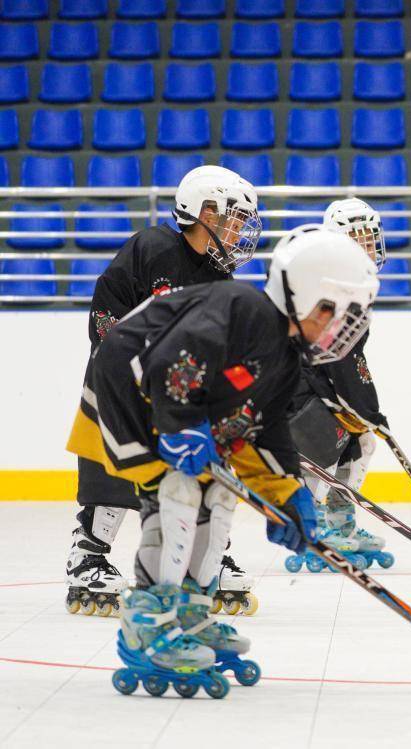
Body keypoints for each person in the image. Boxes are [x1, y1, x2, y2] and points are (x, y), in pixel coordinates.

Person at [66, 226, 379, 698]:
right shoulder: (242, 310)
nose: (341, 327)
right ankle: (148, 622)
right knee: (180, 490)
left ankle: (189, 609)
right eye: (334, 312)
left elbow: (265, 433)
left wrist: (288, 494)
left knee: (220, 493)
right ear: (309, 294)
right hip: (126, 398)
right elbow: (176, 359)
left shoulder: (285, 357)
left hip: (168, 407)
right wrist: (181, 427)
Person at [66, 165, 260, 618]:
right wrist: (126, 370)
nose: (238, 230)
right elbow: (107, 310)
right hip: (122, 386)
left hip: (176, 399)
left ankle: (206, 557)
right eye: (233, 217)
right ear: (204, 210)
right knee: (113, 466)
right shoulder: (151, 247)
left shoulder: (220, 280)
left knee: (201, 471)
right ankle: (88, 555)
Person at [284, 200, 393, 573]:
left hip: (314, 387)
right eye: (356, 239)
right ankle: (309, 526)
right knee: (321, 444)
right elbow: (334, 362)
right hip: (291, 392)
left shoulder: (352, 286)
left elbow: (350, 363)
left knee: (361, 442)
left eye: (369, 238)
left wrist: (366, 414)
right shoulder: (325, 286)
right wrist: (366, 410)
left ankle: (339, 522)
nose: (366, 246)